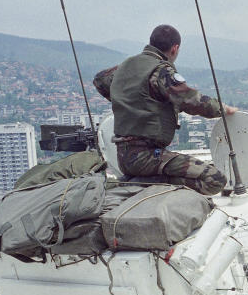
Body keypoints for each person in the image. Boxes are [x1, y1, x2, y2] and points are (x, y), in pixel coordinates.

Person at [93, 24, 237, 196]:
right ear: (175, 49)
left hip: (123, 157)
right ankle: (147, 183)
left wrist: (127, 98)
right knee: (215, 180)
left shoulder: (126, 66)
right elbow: (189, 100)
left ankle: (140, 182)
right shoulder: (160, 70)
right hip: (146, 157)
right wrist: (221, 108)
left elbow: (100, 80)